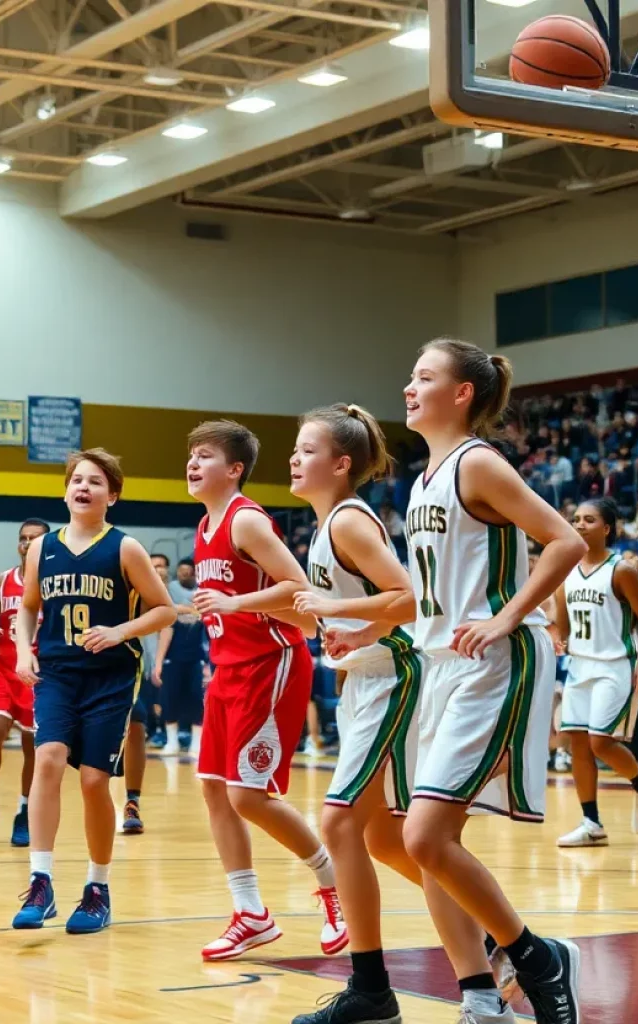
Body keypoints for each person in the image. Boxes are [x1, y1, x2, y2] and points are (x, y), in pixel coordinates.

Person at [402, 339, 586, 1023]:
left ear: (462, 394)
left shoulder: (477, 463)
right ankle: (481, 997)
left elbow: (563, 539)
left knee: (425, 837)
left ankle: (537, 958)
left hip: (493, 663)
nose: (408, 387)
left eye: (424, 377)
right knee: (427, 847)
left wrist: (508, 617)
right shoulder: (424, 478)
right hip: (439, 663)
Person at [185, 420, 347, 962]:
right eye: (191, 455)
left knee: (247, 796)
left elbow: (298, 588)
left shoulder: (246, 519)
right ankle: (250, 912)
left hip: (269, 663)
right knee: (213, 788)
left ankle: (333, 882)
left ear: (233, 469)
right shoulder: (204, 525)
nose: (192, 463)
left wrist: (233, 605)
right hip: (228, 668)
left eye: (204, 456)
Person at [286, 404, 424, 1024]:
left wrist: (360, 630)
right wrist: (351, 633)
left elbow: (412, 599)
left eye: (308, 449)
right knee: (389, 841)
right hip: (369, 679)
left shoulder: (346, 521)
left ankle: (371, 990)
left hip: (394, 679)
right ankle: (507, 945)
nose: (294, 457)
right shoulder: (327, 526)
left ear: (341, 464)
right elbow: (373, 607)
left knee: (340, 826)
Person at [11, 449, 175, 934]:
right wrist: (24, 649)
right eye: (77, 480)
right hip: (58, 672)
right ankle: (40, 883)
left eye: (96, 482)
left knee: (92, 782)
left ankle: (97, 889)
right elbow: (27, 607)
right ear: (65, 491)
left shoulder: (125, 548)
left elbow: (164, 610)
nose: (83, 487)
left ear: (113, 495)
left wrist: (121, 632)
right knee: (48, 758)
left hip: (111, 676)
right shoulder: (42, 548)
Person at [554, 499, 638, 847]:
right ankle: (591, 823)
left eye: (589, 519)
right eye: (575, 519)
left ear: (607, 528)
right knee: (578, 744)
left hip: (615, 665)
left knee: (601, 742)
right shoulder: (565, 573)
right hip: (580, 667)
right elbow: (564, 625)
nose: (580, 524)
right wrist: (560, 640)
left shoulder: (621, 570)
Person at [0, 518, 50, 846]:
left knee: (33, 746)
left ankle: (24, 811)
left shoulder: (54, 584)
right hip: (4, 668)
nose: (27, 543)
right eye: (23, 538)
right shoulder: (3, 580)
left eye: (34, 539)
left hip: (37, 673)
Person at [121, 551, 172, 834]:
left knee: (138, 721)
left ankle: (132, 800)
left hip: (126, 666)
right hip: (82, 667)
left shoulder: (138, 592)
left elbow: (166, 613)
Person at [154, 557, 207, 757]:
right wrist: (158, 662)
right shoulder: (169, 598)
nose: (184, 574)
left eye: (188, 571)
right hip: (173, 658)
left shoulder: (203, 595)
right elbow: (166, 629)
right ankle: (172, 741)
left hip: (196, 658)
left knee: (196, 700)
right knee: (170, 699)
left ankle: (197, 742)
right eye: (181, 571)